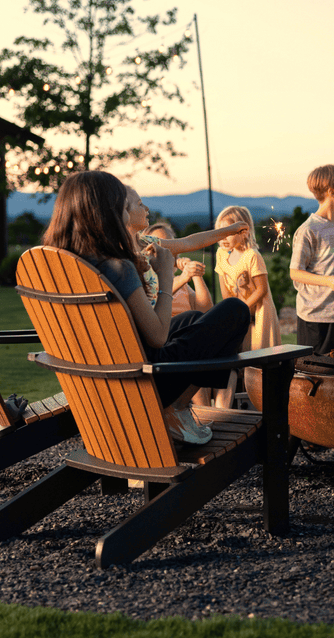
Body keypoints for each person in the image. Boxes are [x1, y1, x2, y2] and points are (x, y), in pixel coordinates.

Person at [42, 171, 251, 446]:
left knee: (191, 318)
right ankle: (173, 407)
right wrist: (166, 277)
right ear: (108, 210)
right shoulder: (118, 266)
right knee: (234, 310)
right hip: (144, 382)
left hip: (101, 374)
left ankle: (175, 408)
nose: (129, 208)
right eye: (123, 203)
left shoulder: (67, 264)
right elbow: (157, 337)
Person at [213, 204, 282, 407]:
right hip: (238, 312)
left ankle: (263, 402)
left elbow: (261, 290)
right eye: (220, 233)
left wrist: (242, 309)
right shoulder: (220, 256)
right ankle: (242, 403)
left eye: (229, 232)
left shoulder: (252, 256)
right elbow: (225, 292)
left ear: (244, 233)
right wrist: (233, 312)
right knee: (239, 356)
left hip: (259, 313)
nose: (223, 238)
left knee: (257, 357)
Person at [289, 164, 334, 354]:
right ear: (332, 191)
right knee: (319, 372)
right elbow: (295, 272)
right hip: (316, 318)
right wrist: (326, 281)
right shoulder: (308, 230)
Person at [146, 222, 213, 317]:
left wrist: (195, 275)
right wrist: (183, 277)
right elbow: (154, 300)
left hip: (191, 328)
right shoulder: (146, 281)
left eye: (171, 246)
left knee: (232, 304)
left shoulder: (183, 286)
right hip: (170, 330)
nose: (166, 251)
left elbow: (206, 312)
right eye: (160, 247)